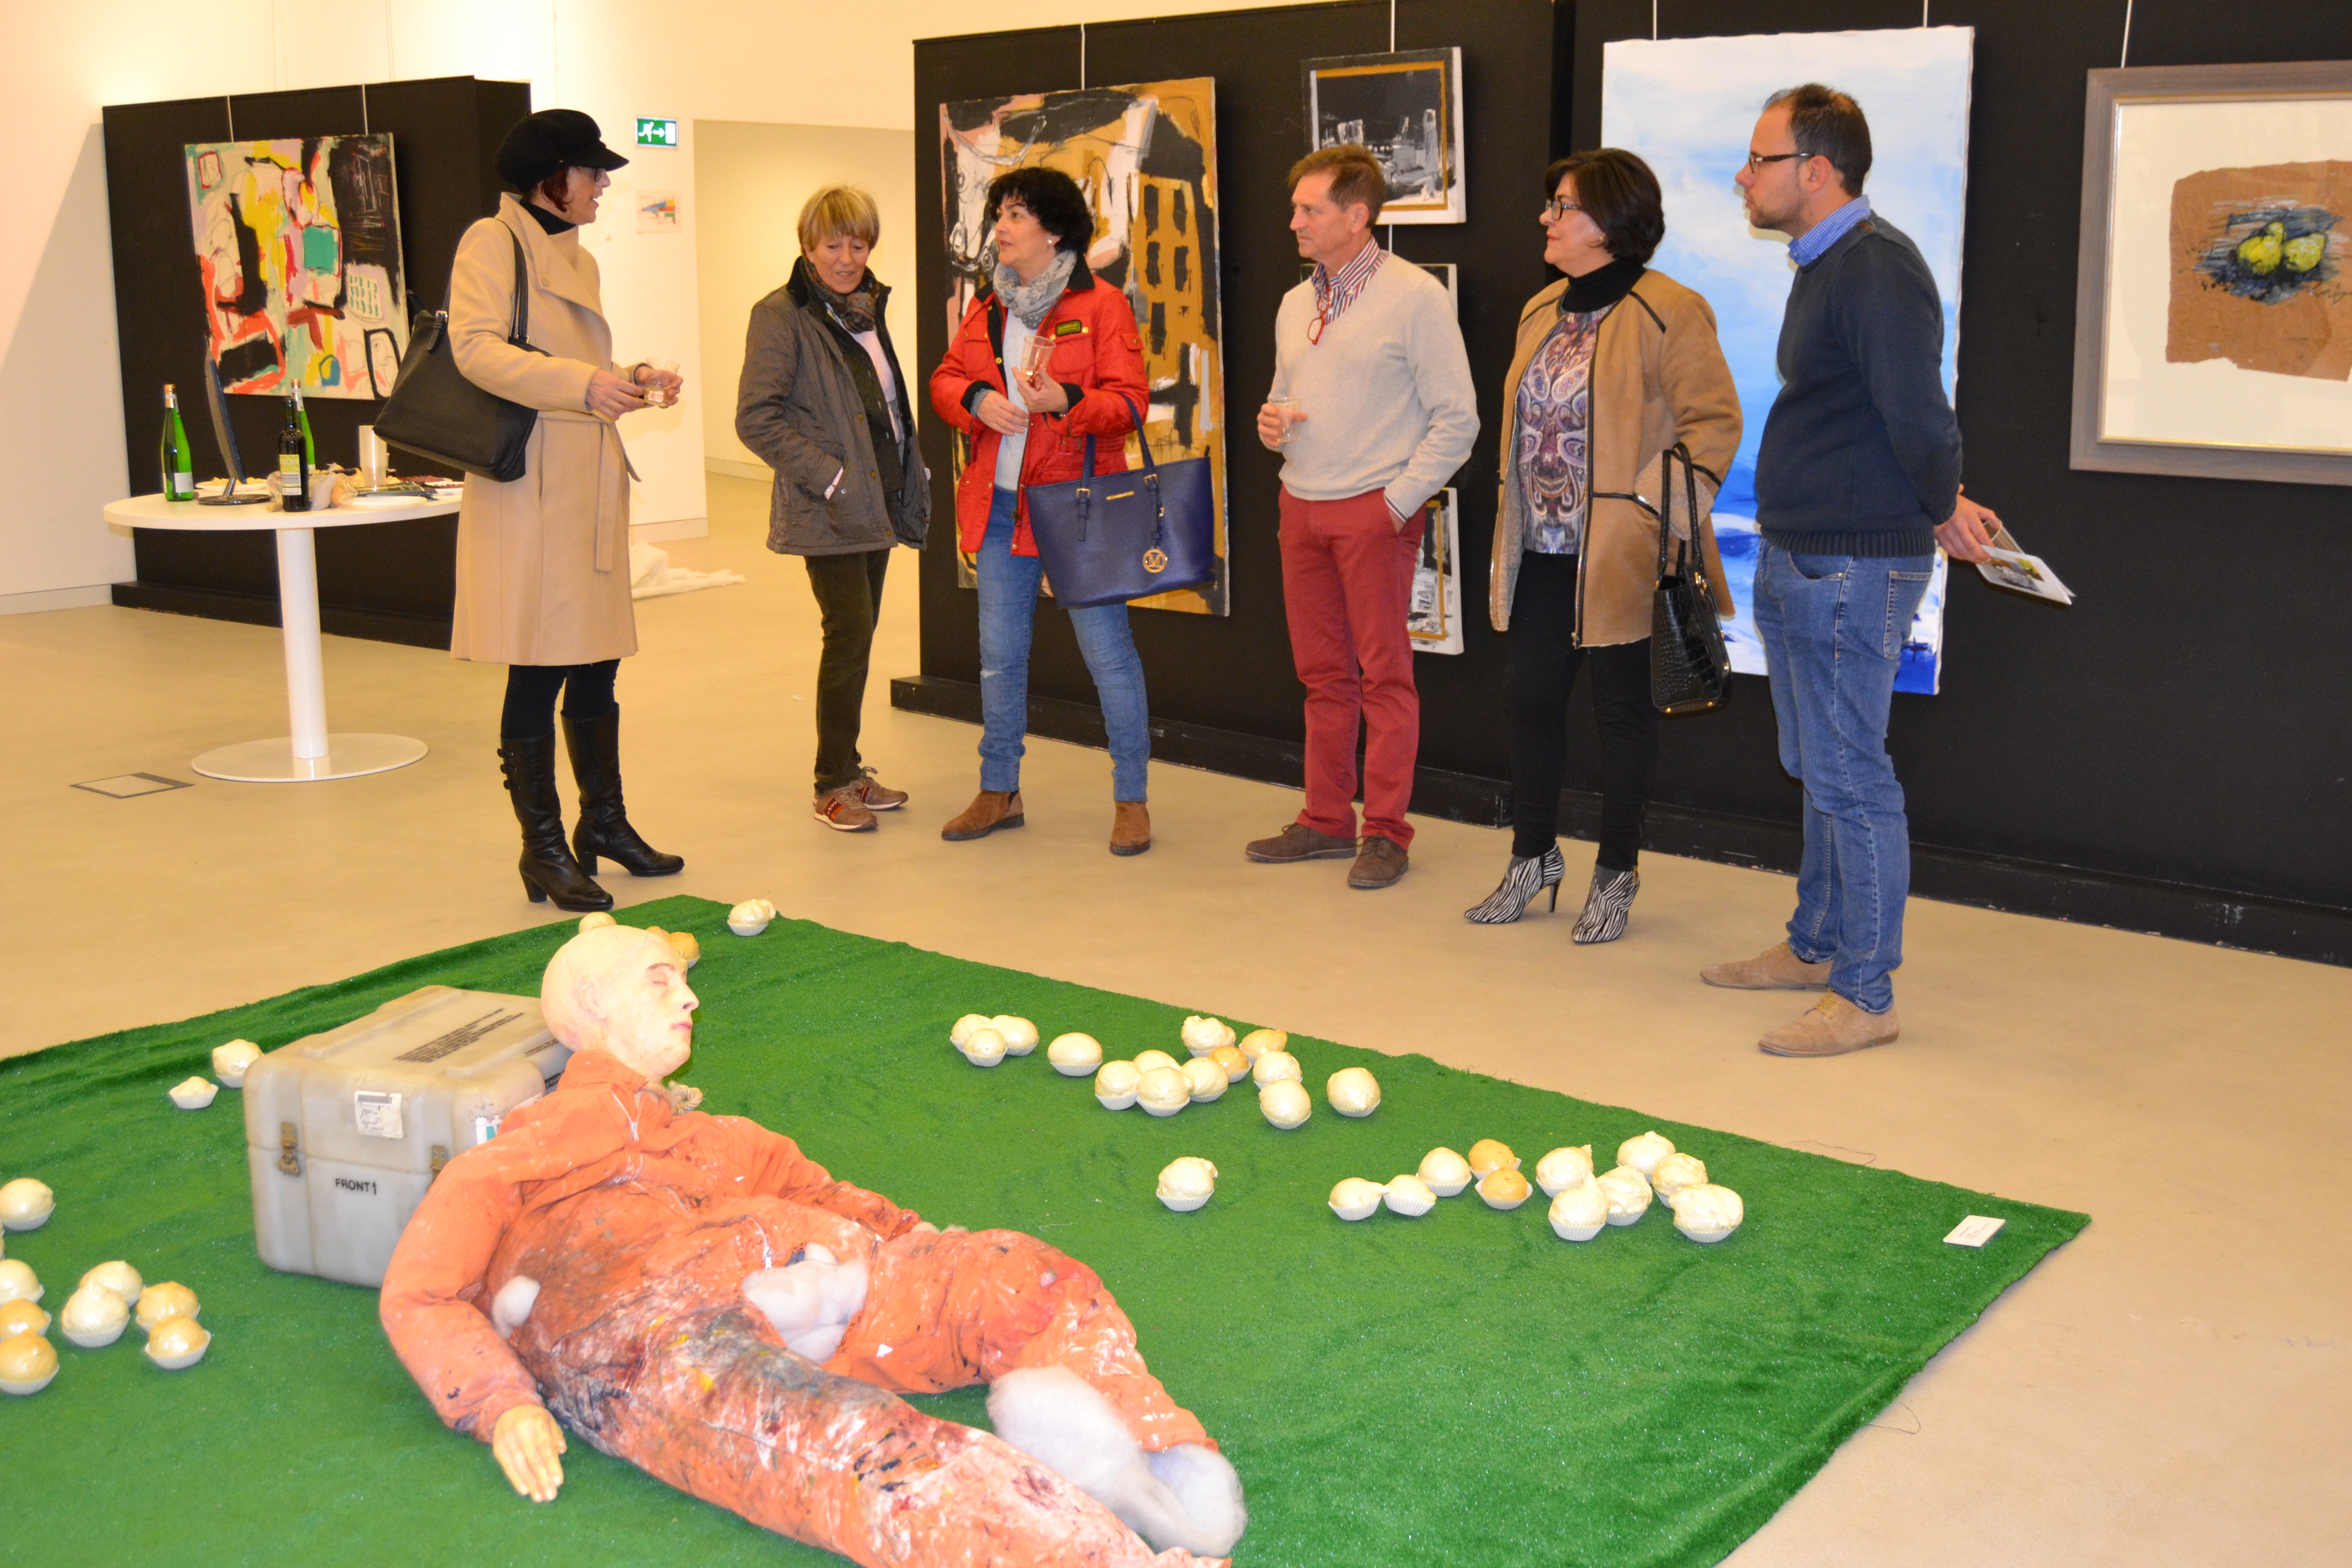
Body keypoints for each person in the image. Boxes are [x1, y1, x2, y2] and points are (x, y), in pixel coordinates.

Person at [381, 924, 1246, 1563]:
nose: (689, 997)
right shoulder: (526, 1150)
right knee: (849, 1443)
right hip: (646, 1337)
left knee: (1015, 1271)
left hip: (804, 1288)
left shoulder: (718, 1139)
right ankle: (1095, 1557)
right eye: (659, 982)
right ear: (591, 1009)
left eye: (683, 981)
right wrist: (502, 1402)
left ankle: (1162, 1468)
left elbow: (837, 1202)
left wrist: (939, 1261)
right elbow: (421, 1291)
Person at [1705, 84, 1999, 1056]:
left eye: (1759, 160)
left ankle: (1866, 996)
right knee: (1816, 766)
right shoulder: (1825, 265)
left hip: (1850, 567)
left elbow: (1920, 416)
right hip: (1800, 554)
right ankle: (1816, 945)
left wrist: (1937, 502)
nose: (1743, 177)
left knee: (1850, 778)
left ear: (1816, 171)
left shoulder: (1875, 269)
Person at [1468, 150, 1741, 941]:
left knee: (1623, 714)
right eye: (1550, 204)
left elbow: (1714, 424)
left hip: (1622, 555)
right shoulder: (1539, 309)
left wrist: (1645, 514)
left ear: (1612, 221)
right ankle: (1533, 858)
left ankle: (1616, 873)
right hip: (1542, 551)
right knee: (1529, 702)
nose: (1547, 219)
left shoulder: (1671, 309)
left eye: (1563, 206)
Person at [452, 109, 685, 912]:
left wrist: (627, 375)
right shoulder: (494, 240)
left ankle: (605, 824)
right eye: (591, 172)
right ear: (552, 176)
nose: (603, 184)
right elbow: (477, 350)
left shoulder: (571, 254)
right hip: (532, 490)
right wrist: (585, 385)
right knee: (539, 661)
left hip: (582, 479)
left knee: (595, 658)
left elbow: (568, 363)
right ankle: (543, 848)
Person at [1244, 145, 1478, 891]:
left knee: (1384, 678)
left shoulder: (1414, 297)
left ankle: (1386, 833)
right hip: (1302, 504)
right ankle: (1323, 821)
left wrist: (1394, 505)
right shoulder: (1293, 302)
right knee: (1321, 676)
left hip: (1373, 511)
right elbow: (1283, 397)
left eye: (1310, 210)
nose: (1295, 222)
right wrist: (1271, 425)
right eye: (1296, 208)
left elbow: (1458, 420)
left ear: (1357, 216)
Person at [928, 167, 1155, 855]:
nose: (1000, 225)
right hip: (1000, 509)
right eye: (999, 211)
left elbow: (1132, 403)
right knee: (999, 659)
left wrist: (1069, 403)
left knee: (1108, 658)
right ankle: (999, 792)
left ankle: (1132, 799)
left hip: (1076, 511)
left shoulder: (1104, 305)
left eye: (1016, 213)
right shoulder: (987, 306)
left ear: (1053, 230)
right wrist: (975, 400)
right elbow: (944, 377)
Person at [737, 184, 928, 834]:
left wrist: (907, 466)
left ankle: (849, 766)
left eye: (859, 244)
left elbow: (882, 403)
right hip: (832, 506)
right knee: (848, 636)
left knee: (861, 635)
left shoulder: (865, 309)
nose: (848, 257)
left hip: (877, 499)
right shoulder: (781, 314)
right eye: (833, 245)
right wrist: (835, 477)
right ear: (807, 247)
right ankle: (830, 784)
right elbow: (756, 419)